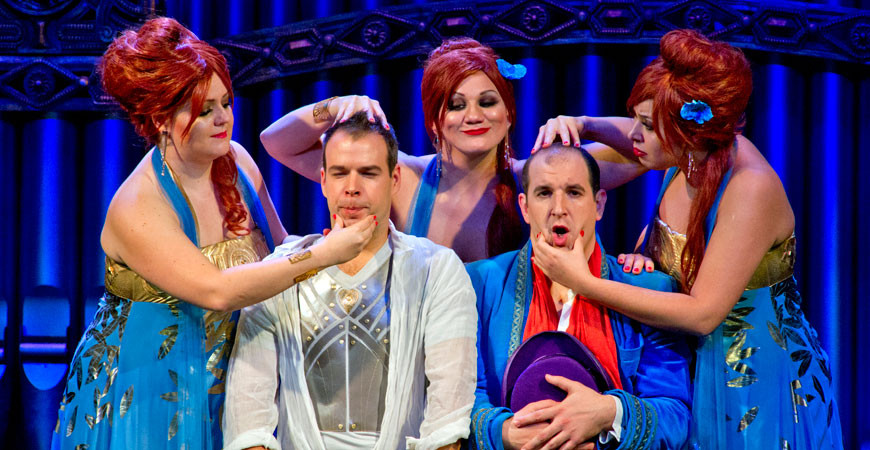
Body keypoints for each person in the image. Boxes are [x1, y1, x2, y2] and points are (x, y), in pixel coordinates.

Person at [51, 18, 375, 450]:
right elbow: (218, 292)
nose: (223, 119)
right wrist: (324, 254)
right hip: (150, 389)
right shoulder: (139, 205)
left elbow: (279, 250)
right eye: (204, 110)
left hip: (235, 373)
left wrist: (331, 109)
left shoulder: (235, 161)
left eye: (225, 102)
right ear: (161, 118)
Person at [533, 29, 843, 448]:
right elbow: (621, 146)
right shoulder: (687, 156)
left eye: (646, 126)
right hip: (689, 364)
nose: (634, 135)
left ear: (689, 132)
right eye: (637, 119)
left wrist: (585, 283)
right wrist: (583, 124)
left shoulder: (749, 188)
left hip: (751, 381)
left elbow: (702, 314)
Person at [222, 112, 478, 450]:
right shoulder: (277, 273)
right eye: (340, 173)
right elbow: (247, 417)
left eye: (368, 173)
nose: (352, 187)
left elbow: (447, 418)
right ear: (323, 180)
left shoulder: (437, 270)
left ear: (395, 179)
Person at [467, 143, 691, 450]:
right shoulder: (479, 284)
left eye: (574, 192)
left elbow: (676, 416)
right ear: (525, 207)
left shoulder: (648, 289)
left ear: (599, 205)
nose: (559, 208)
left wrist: (608, 413)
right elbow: (459, 397)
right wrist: (506, 433)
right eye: (544, 193)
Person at [261, 38, 547, 263]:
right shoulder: (404, 177)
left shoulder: (534, 179)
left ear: (509, 113)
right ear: (433, 121)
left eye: (487, 102)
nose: (473, 116)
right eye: (456, 105)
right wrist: (334, 107)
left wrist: (574, 129)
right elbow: (276, 142)